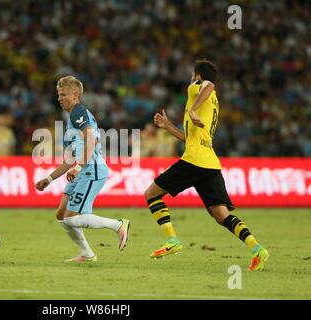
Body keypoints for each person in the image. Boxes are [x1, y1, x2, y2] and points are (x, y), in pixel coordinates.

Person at [145, 60, 269, 271]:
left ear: (198, 76)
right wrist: (168, 126)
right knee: (222, 216)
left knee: (151, 194)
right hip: (210, 163)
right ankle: (257, 248)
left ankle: (172, 240)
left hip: (193, 161)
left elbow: (209, 84)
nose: (191, 79)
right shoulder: (213, 102)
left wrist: (192, 110)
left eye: (193, 75)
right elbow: (188, 138)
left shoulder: (199, 88)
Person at [35, 76, 130, 262]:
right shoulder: (73, 118)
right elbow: (70, 157)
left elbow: (91, 140)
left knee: (72, 218)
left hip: (92, 170)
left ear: (75, 95)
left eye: (63, 95)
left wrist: (78, 167)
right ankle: (87, 253)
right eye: (58, 94)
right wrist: (49, 179)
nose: (59, 98)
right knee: (62, 214)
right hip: (83, 170)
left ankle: (118, 225)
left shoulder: (78, 112)